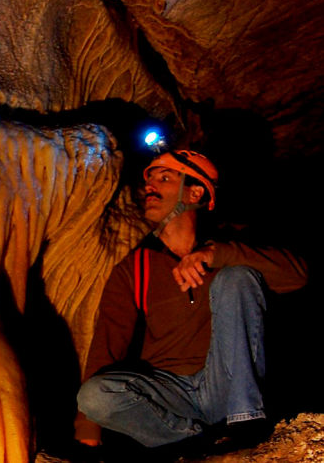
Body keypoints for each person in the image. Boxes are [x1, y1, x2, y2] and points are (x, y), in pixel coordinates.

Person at [73, 150, 308, 450]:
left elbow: (297, 275)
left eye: (164, 178)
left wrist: (214, 255)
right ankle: (192, 440)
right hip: (169, 394)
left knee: (236, 277)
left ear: (195, 192)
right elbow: (107, 344)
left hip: (226, 384)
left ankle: (244, 420)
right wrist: (88, 430)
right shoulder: (135, 268)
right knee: (94, 395)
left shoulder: (232, 247)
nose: (150, 187)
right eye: (149, 180)